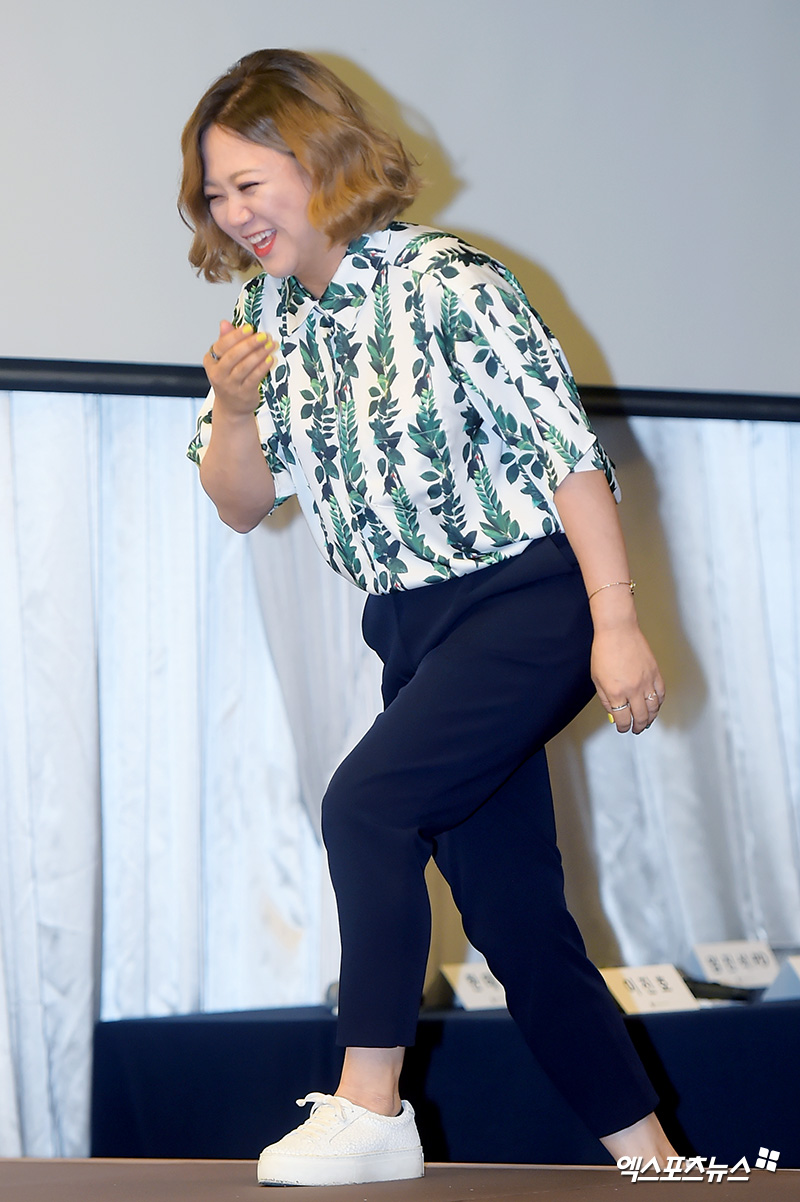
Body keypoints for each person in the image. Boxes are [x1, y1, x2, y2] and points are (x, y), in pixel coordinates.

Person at [179, 49, 676, 1188]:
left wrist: (615, 621)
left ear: (320, 161)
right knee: (517, 920)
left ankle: (371, 1102)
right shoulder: (263, 318)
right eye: (215, 192)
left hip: (529, 599)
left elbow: (567, 453)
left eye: (251, 182)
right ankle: (657, 1164)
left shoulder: (448, 281)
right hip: (414, 634)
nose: (234, 212)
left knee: (367, 803)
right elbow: (241, 504)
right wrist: (233, 409)